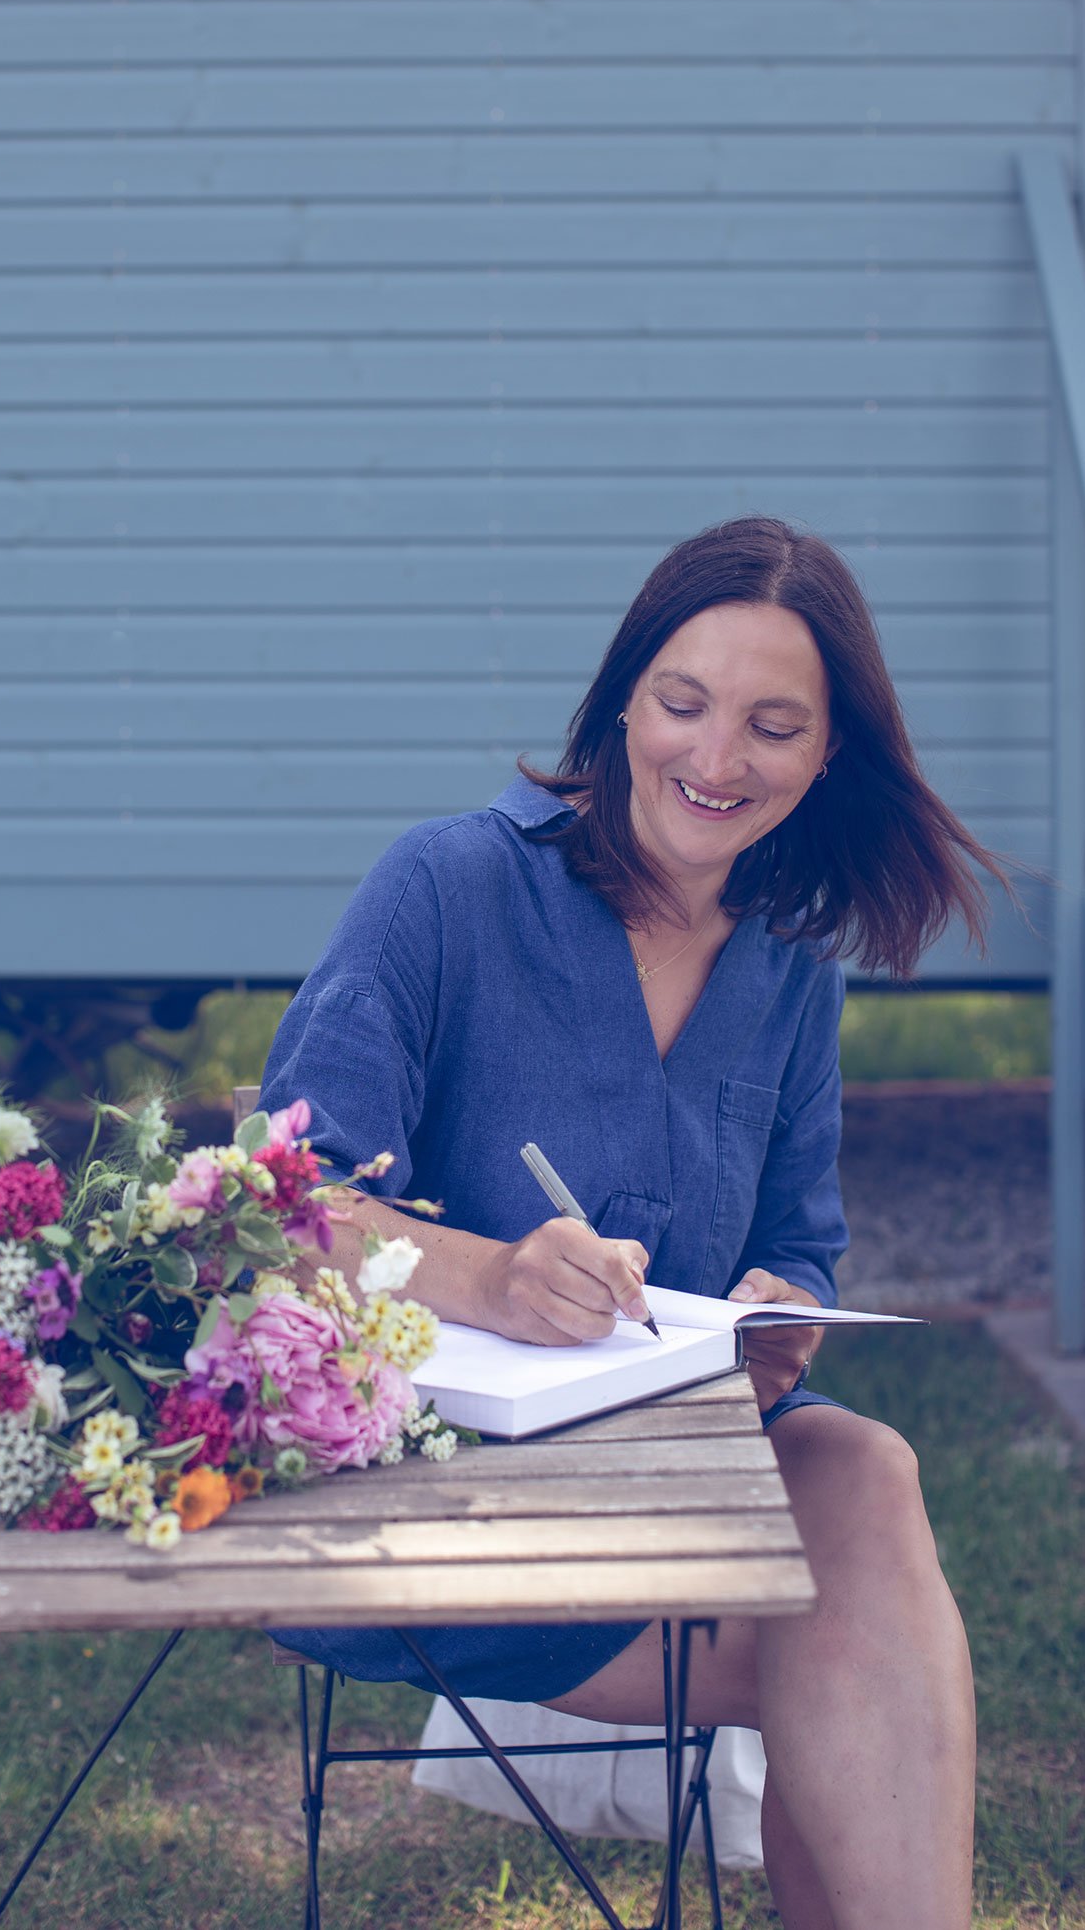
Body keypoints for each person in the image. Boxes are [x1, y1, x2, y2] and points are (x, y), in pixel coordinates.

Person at [259, 516, 999, 1930]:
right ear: (621, 702)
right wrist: (494, 1272)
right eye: (684, 703)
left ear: (823, 754)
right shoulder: (447, 887)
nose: (717, 761)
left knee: (860, 1468)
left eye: (773, 726)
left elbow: (803, 1242)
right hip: (421, 1504)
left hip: (663, 1488)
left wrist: (778, 1313)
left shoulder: (787, 970)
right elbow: (285, 1221)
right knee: (846, 1625)